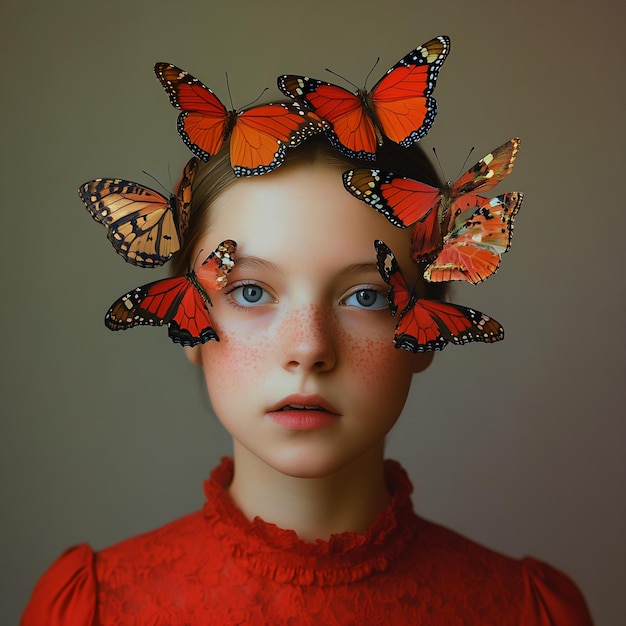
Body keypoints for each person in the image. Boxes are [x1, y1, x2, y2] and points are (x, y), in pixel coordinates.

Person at [21, 134, 594, 625]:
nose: (308, 348)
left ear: (427, 330)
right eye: (251, 292)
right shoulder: (92, 609)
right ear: (190, 324)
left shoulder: (524, 612)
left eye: (366, 295)